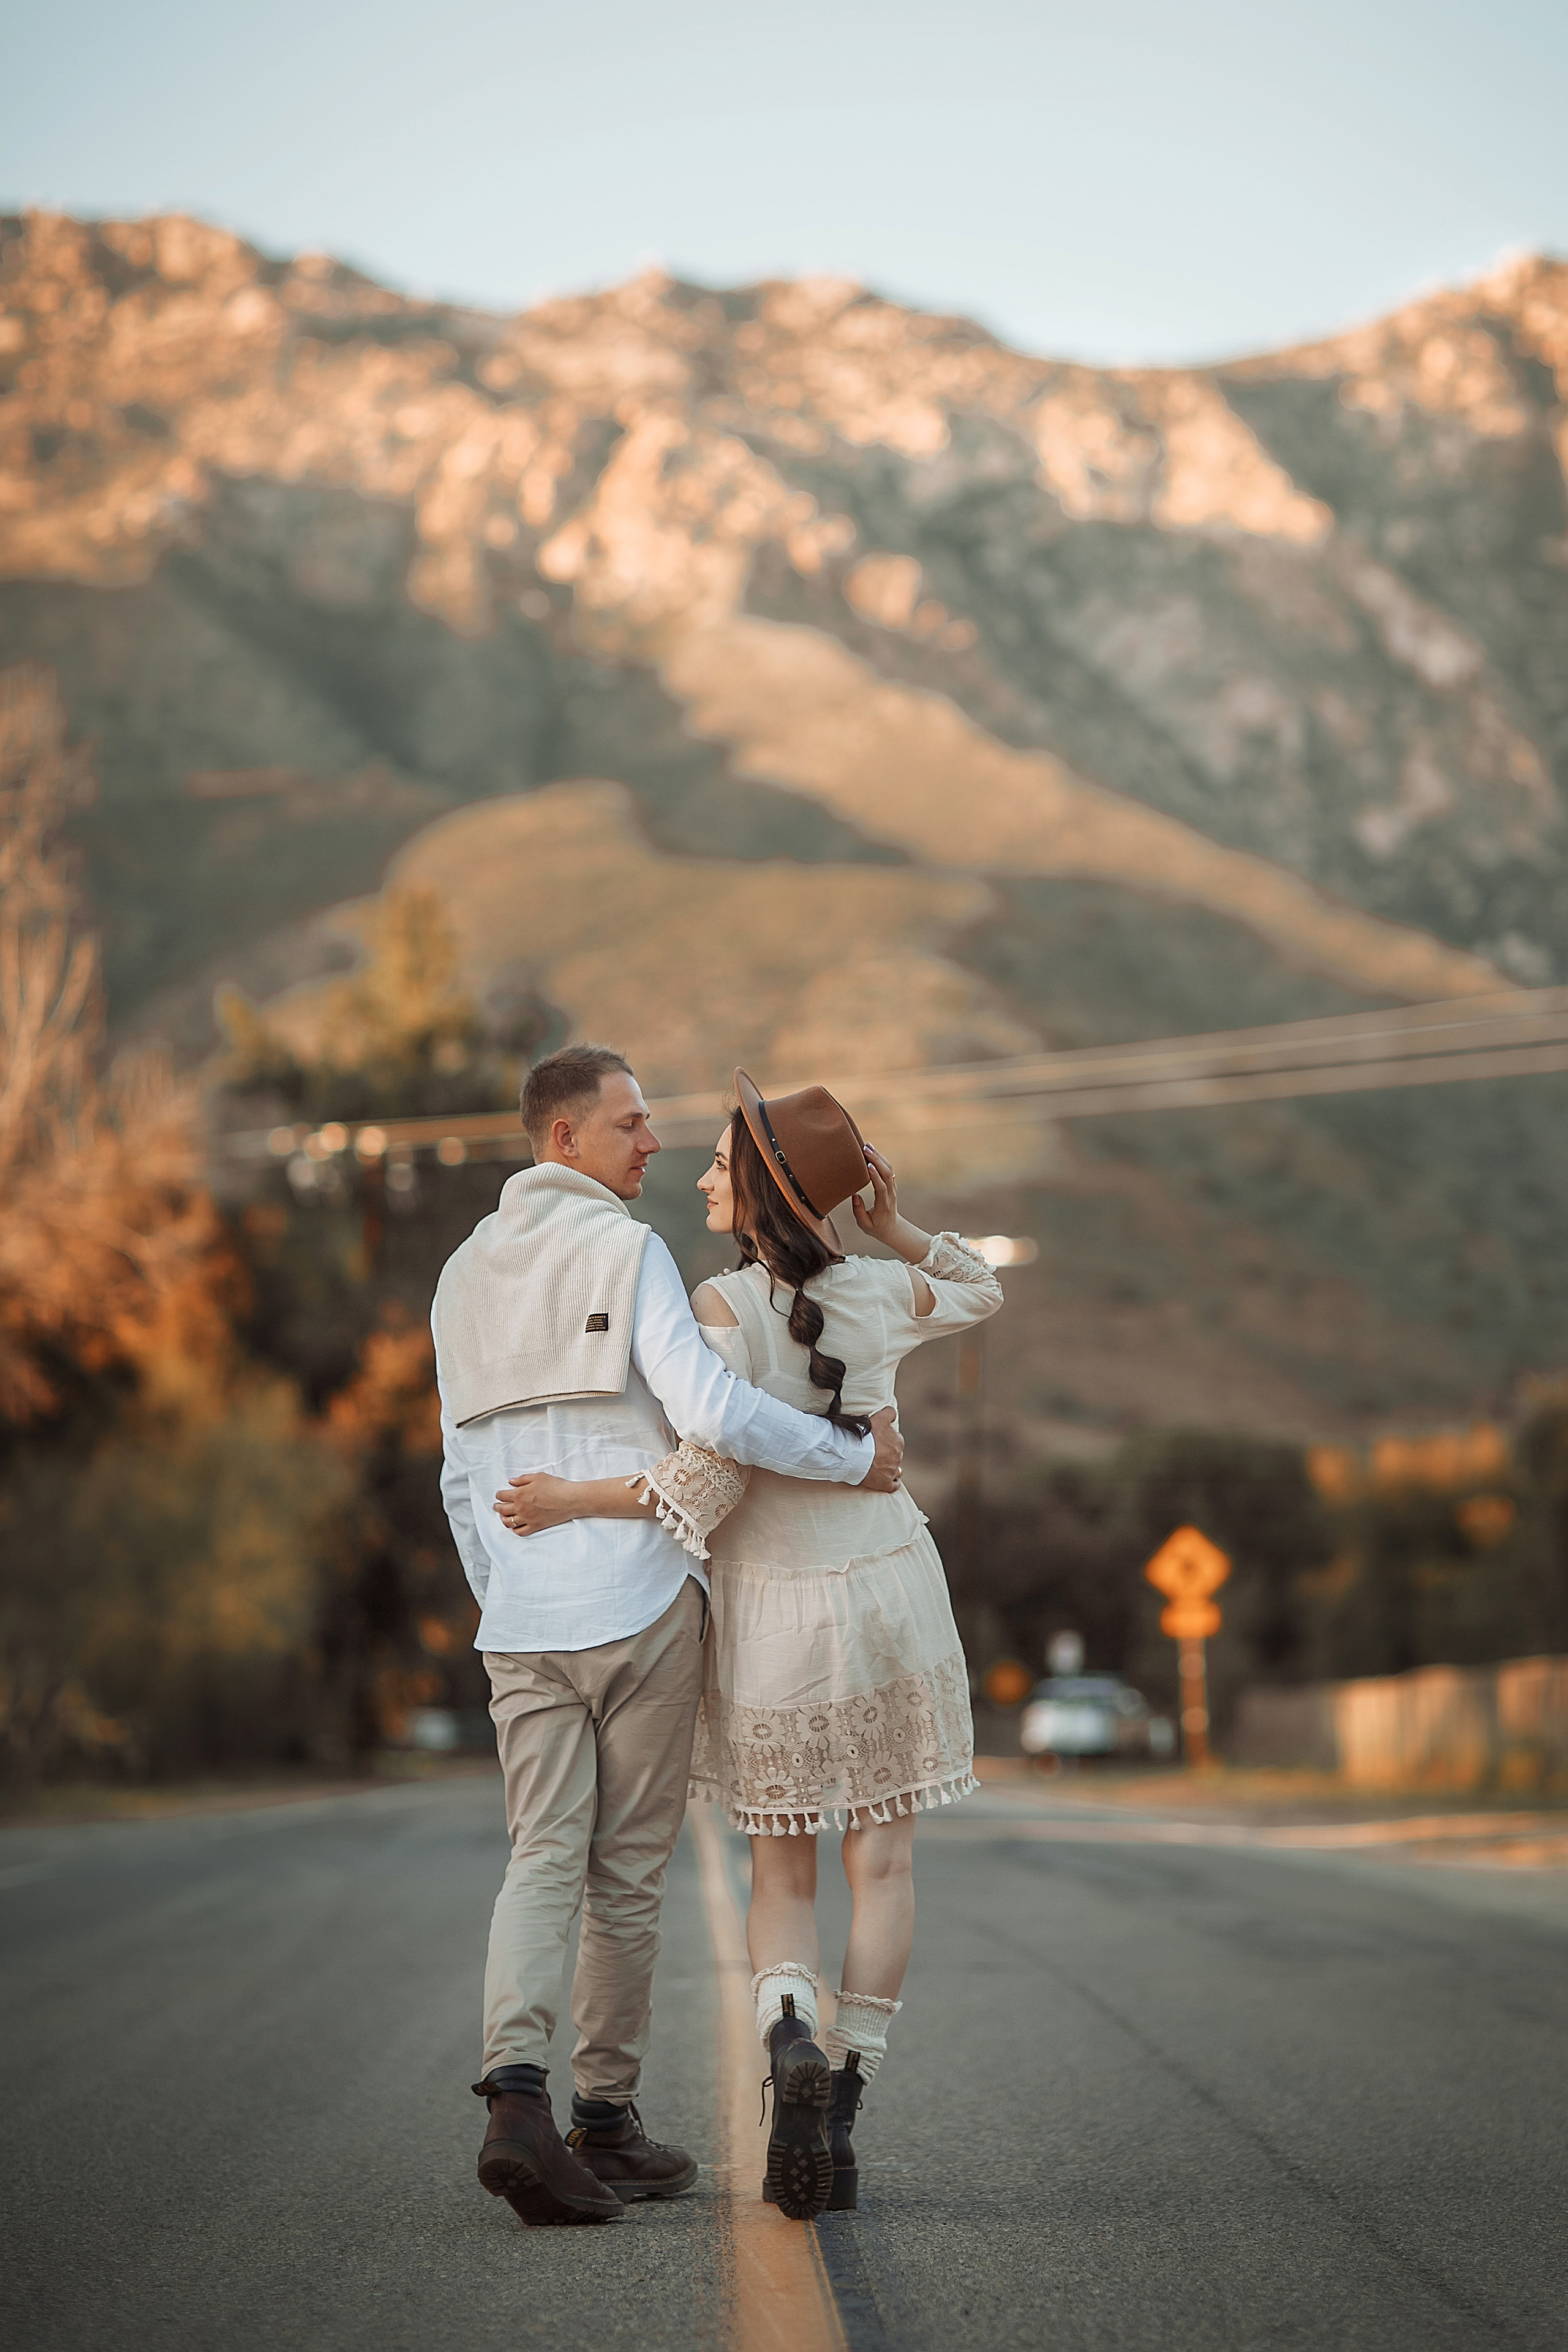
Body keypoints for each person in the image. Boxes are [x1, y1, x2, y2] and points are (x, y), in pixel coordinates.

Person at [495, 1071, 1001, 2219]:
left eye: (723, 1163)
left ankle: (790, 2034)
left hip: (776, 1606)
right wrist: (890, 1223)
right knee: (885, 1866)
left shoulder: (721, 1309)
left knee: (782, 1867)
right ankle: (847, 2105)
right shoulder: (879, 1289)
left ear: (765, 1187)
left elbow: (708, 1473)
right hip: (891, 1590)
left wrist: (573, 1497)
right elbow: (979, 1287)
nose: (702, 1174)